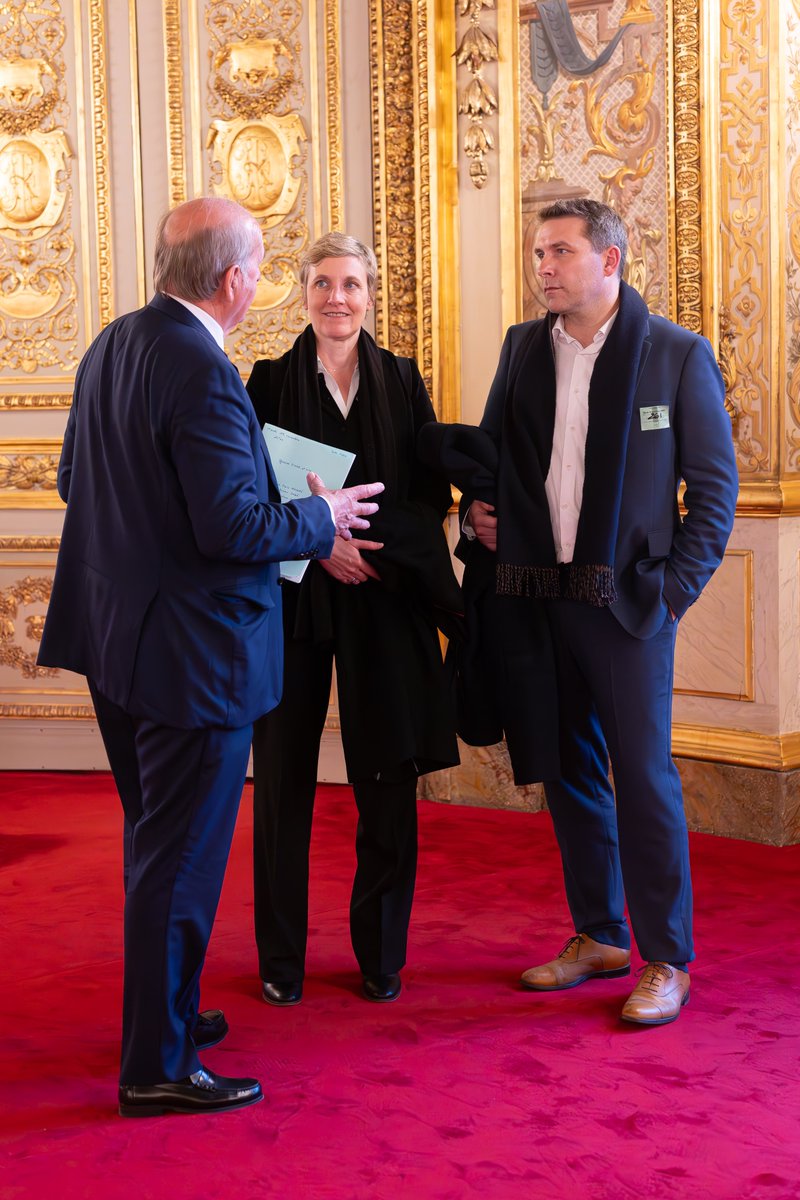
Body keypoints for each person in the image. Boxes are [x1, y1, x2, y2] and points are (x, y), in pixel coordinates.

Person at [37, 198, 384, 1116]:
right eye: (261, 265)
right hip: (192, 662)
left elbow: (76, 480)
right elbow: (233, 528)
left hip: (119, 645)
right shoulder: (202, 370)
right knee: (180, 861)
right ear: (235, 280)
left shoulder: (114, 341)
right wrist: (321, 517)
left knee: (158, 846)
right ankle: (157, 1065)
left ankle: (173, 1014)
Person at [452, 199, 738, 1026]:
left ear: (610, 260)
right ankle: (601, 936)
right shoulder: (521, 347)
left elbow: (713, 494)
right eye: (538, 253)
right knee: (568, 771)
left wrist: (669, 595)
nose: (543, 266)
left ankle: (667, 959)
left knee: (644, 779)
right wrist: (477, 515)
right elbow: (493, 460)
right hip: (537, 598)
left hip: (626, 607)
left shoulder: (675, 355)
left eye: (560, 252)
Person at [246, 232, 460, 1007]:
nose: (337, 298)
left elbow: (430, 498)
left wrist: (364, 547)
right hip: (294, 599)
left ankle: (381, 955)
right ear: (303, 293)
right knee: (281, 783)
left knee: (387, 783)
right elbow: (247, 490)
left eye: (351, 284)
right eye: (323, 284)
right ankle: (281, 961)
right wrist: (320, 540)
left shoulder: (402, 379)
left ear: (370, 295)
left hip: (382, 594)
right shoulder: (268, 381)